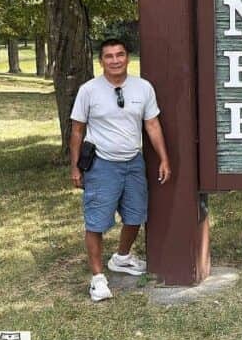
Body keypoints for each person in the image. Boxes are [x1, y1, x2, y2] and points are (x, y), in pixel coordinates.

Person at [69, 38, 171, 302]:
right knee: (97, 222)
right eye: (109, 56)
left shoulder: (143, 88)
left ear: (128, 57)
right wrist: (75, 168)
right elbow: (77, 130)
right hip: (101, 164)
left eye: (120, 55)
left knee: (136, 215)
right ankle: (98, 278)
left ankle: (122, 257)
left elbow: (152, 125)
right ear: (101, 61)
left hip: (133, 161)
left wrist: (164, 158)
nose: (115, 60)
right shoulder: (88, 90)